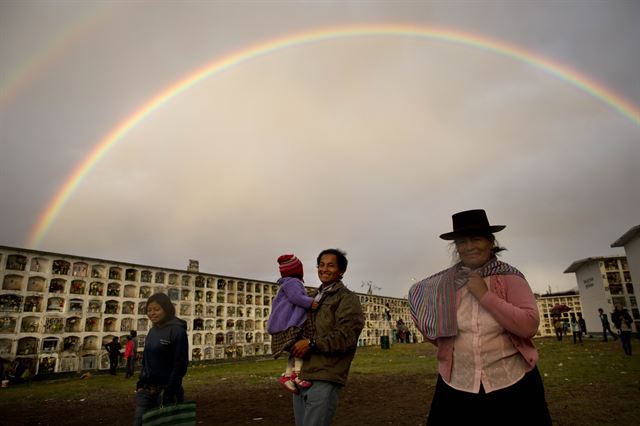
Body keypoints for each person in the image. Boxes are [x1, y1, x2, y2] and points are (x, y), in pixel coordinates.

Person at [408, 209, 552, 425]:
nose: (469, 246)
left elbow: (528, 326)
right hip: (457, 383)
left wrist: (483, 294)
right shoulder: (446, 283)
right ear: (456, 247)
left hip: (511, 383)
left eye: (476, 239)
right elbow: (430, 325)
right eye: (462, 241)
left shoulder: (510, 277)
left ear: (490, 241)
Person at [290, 248, 365, 426]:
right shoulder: (310, 297)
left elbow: (347, 336)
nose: (324, 269)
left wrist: (312, 344)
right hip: (302, 372)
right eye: (321, 265)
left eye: (331, 265)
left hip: (326, 374)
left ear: (341, 271)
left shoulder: (347, 299)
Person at [133, 293, 189, 426]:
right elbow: (147, 359)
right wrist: (141, 383)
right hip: (146, 391)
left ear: (166, 309)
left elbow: (180, 364)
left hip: (166, 392)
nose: (152, 313)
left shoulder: (177, 331)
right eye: (149, 310)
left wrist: (169, 391)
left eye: (156, 309)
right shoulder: (152, 331)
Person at [267, 254, 320, 393]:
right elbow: (296, 297)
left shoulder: (285, 283)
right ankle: (297, 374)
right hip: (289, 324)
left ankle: (287, 375)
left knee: (293, 351)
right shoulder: (293, 283)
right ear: (298, 270)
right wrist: (311, 302)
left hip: (281, 325)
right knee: (299, 346)